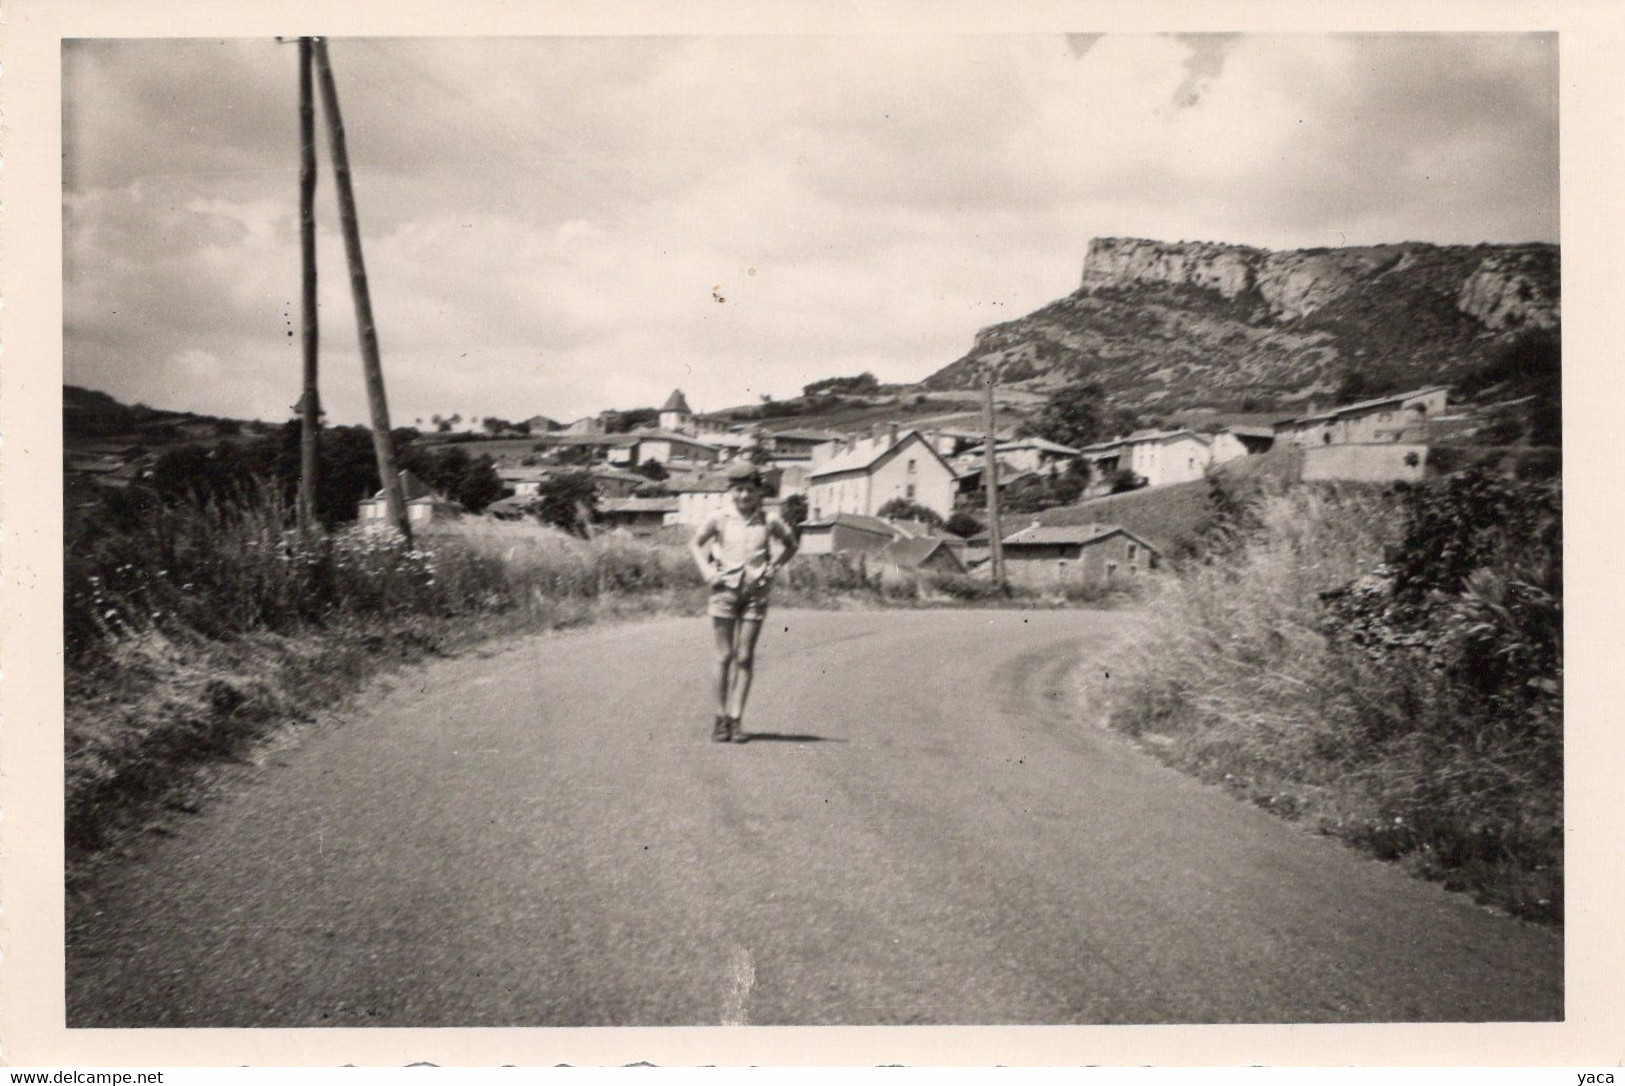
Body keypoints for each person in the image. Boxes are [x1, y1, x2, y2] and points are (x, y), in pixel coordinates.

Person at [689, 462, 799, 743]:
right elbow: (694, 544)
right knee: (724, 656)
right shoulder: (719, 518)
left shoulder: (769, 519)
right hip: (724, 591)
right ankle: (719, 719)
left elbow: (791, 544)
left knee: (745, 657)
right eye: (738, 490)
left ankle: (736, 719)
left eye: (749, 490)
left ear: (758, 491)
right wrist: (707, 572)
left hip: (755, 594)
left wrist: (775, 567)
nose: (744, 496)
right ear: (730, 491)